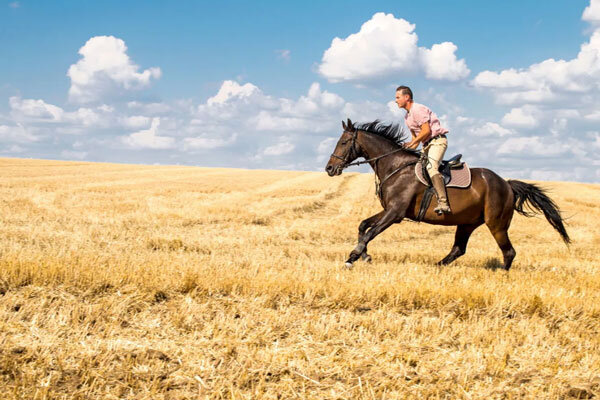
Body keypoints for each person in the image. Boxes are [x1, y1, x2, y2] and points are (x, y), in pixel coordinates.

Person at [395, 85, 451, 214]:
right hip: (426, 145)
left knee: (432, 168)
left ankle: (443, 203)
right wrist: (406, 146)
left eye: (398, 97)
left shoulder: (418, 109)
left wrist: (414, 141)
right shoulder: (407, 117)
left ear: (407, 97)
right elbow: (415, 139)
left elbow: (426, 131)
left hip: (437, 141)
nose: (396, 100)